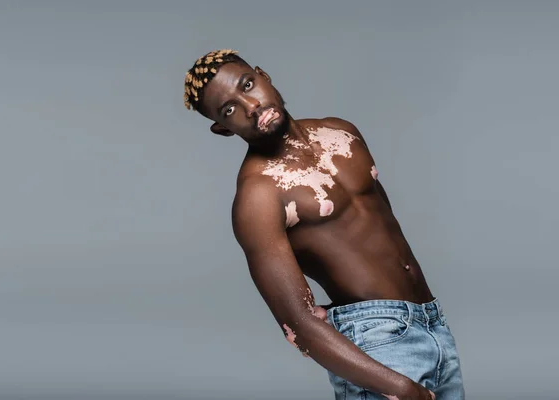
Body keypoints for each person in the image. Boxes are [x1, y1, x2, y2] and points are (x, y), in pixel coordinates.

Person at [182, 49, 465, 400]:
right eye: (229, 109)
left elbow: (383, 229)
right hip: (378, 347)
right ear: (223, 129)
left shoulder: (341, 132)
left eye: (248, 85)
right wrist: (401, 388)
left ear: (264, 75)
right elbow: (298, 323)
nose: (250, 105)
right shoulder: (259, 194)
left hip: (431, 320)